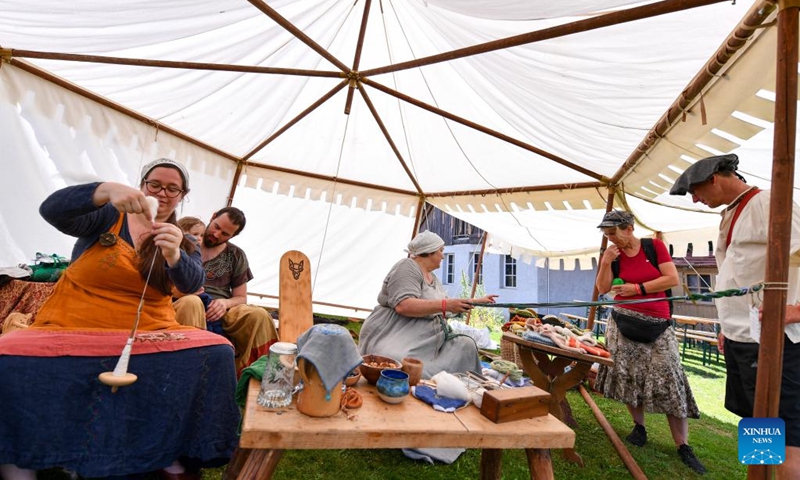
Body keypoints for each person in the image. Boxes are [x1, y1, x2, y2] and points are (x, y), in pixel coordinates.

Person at [0, 158, 240, 480]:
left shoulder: (182, 240)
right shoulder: (106, 218)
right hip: (75, 321)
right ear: (142, 185)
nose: (163, 193)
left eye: (173, 188)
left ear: (183, 195)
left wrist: (175, 256)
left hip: (150, 328)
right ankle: (20, 456)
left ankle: (171, 447)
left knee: (219, 352)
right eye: (155, 184)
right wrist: (104, 190)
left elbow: (191, 284)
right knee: (8, 356)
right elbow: (52, 210)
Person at [671, 153, 800, 477]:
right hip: (742, 338)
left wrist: (797, 310)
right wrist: (727, 329)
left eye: (696, 191)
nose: (696, 200)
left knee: (787, 438)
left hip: (777, 342)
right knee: (757, 426)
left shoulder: (770, 203)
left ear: (715, 177)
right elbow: (740, 273)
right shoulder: (734, 211)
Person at [594, 210, 706, 475]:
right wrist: (605, 263)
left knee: (670, 376)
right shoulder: (613, 255)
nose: (611, 239)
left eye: (614, 233)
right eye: (607, 235)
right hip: (622, 321)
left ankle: (683, 445)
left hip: (658, 323)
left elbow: (672, 279)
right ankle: (639, 427)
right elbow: (602, 289)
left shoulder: (653, 247)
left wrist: (638, 289)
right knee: (630, 376)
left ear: (629, 228)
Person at [358, 231, 498, 378]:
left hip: (429, 340)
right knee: (401, 363)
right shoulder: (407, 266)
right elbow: (403, 305)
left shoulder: (433, 279)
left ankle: (459, 385)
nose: (443, 256)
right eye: (441, 251)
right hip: (397, 332)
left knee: (466, 346)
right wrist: (446, 305)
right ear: (429, 252)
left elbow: (443, 304)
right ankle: (419, 385)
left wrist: (476, 301)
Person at [173, 207, 278, 373]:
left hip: (222, 310)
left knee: (259, 315)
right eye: (216, 226)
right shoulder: (182, 245)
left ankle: (257, 378)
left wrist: (224, 303)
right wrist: (183, 290)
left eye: (225, 234)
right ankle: (193, 373)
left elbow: (241, 297)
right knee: (191, 303)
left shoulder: (236, 255)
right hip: (182, 301)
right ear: (213, 216)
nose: (216, 234)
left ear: (233, 236)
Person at [175, 216, 215, 330]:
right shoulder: (175, 252)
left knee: (206, 303)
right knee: (193, 302)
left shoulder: (195, 254)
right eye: (195, 234)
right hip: (177, 297)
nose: (199, 238)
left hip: (196, 294)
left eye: (202, 235)